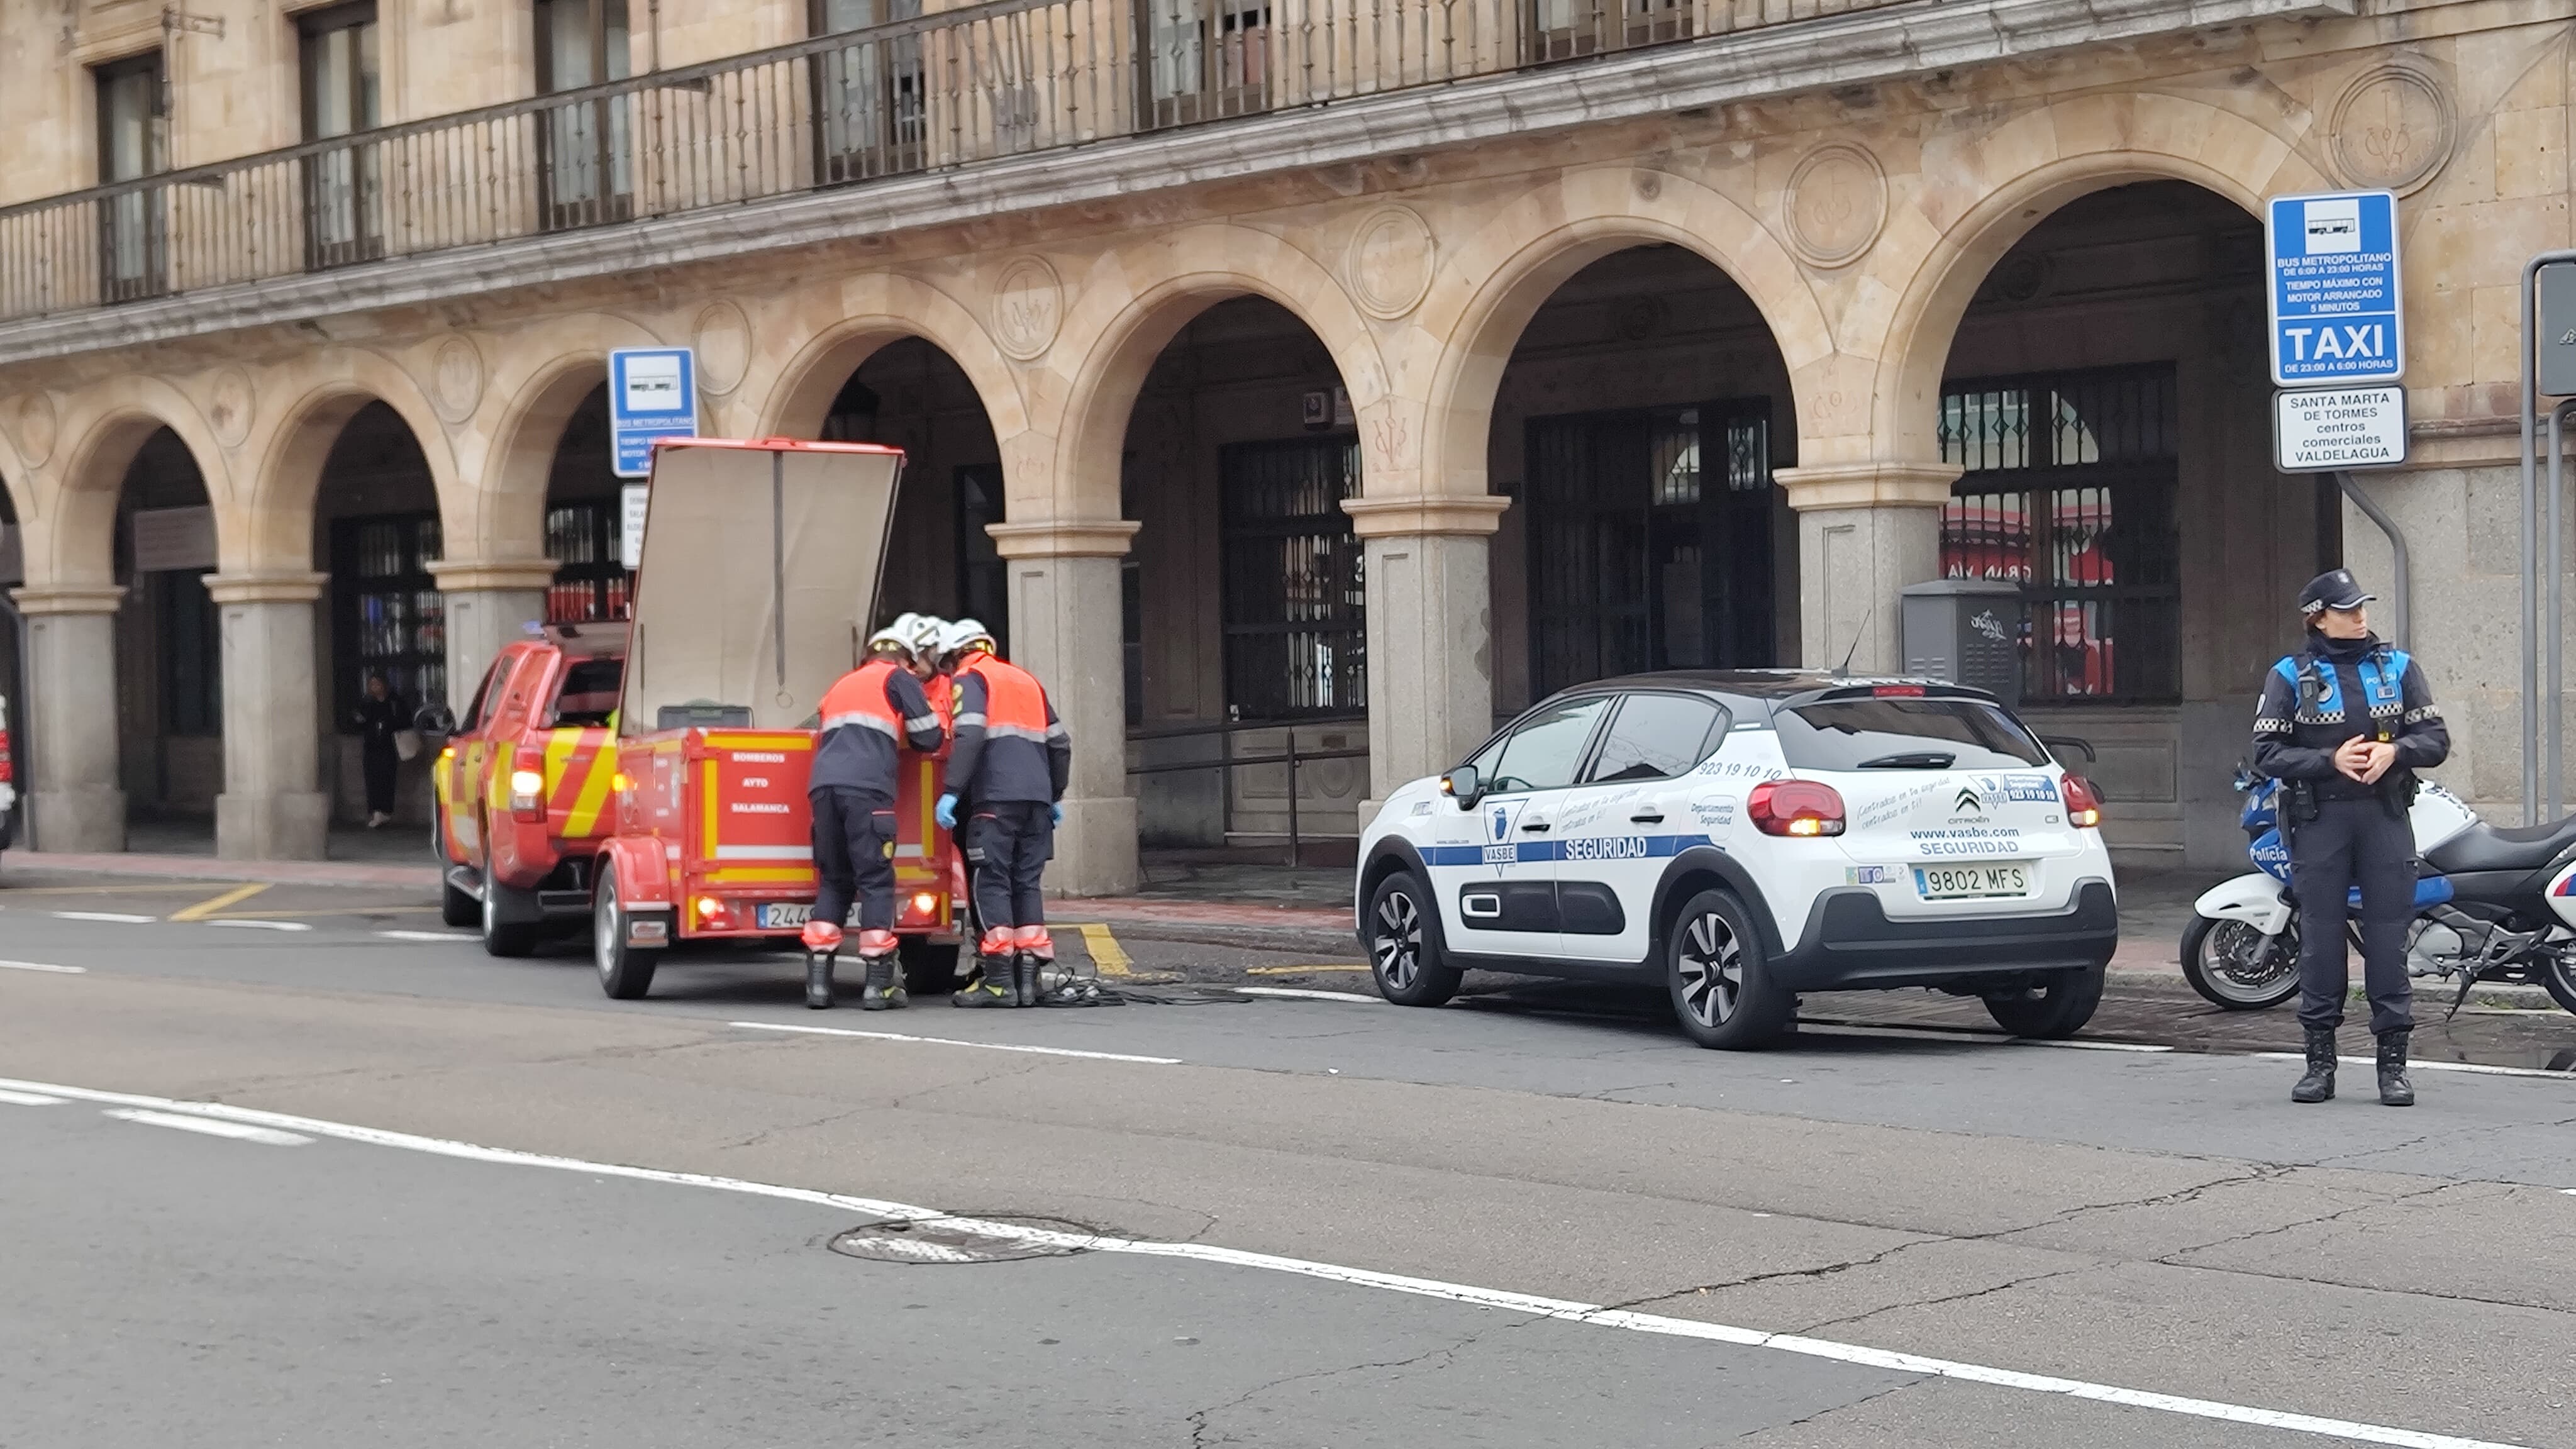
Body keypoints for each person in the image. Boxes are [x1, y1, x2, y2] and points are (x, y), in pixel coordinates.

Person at [2251, 569, 2449, 1107]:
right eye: (2348, 609)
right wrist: (2328, 760)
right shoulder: (2288, 676)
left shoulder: (2400, 667)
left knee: (2388, 940)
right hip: (2320, 821)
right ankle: (2319, 1066)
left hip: (2384, 817)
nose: (2361, 617)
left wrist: (2396, 752)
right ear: (2318, 617)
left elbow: (2435, 739)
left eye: (2362, 607)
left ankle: (2393, 1070)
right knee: (2321, 942)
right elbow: (2266, 755)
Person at [801, 624, 947, 1010]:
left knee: (834, 879)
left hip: (823, 788)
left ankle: (818, 986)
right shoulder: (898, 678)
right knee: (877, 881)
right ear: (903, 659)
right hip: (866, 790)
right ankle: (877, 986)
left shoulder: (841, 684)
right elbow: (929, 736)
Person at [933, 619, 1075, 1008]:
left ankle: (998, 983)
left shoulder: (972, 678)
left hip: (995, 800)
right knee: (1026, 883)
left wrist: (951, 792)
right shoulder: (1026, 681)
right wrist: (1055, 794)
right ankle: (1029, 981)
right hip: (1037, 802)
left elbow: (971, 733)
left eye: (948, 664)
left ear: (957, 654)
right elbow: (1060, 743)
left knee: (991, 882)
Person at [351, 673, 407, 829]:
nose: (375, 687)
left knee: (388, 779)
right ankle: (376, 812)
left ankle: (386, 811)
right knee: (372, 780)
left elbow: (403, 720)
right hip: (371, 747)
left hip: (389, 747)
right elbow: (358, 721)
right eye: (372, 684)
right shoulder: (366, 703)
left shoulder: (394, 702)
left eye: (378, 684)